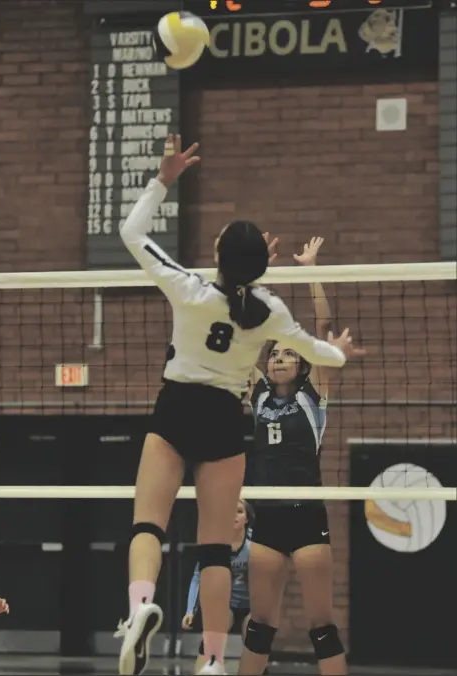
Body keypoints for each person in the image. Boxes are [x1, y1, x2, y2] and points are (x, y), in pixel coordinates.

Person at [114, 134, 356, 676]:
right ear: (257, 269)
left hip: (177, 406)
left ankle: (138, 609)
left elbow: (130, 232)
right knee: (215, 549)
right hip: (226, 418)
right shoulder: (268, 310)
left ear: (218, 255)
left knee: (147, 526)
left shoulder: (189, 288)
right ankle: (213, 661)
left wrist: (164, 178)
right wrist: (335, 353)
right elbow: (321, 353)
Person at [238, 237, 365, 676]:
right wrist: (256, 277)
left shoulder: (315, 394)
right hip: (267, 518)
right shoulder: (256, 394)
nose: (278, 359)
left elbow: (324, 328)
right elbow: (245, 332)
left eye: (288, 353)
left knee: (322, 627)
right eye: (274, 354)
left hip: (307, 514)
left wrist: (310, 269)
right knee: (259, 627)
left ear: (303, 364)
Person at [182, 499, 254, 674]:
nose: (234, 516)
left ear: (247, 519)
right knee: (210, 637)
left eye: (239, 511)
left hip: (252, 605)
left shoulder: (255, 546)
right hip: (227, 603)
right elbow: (198, 577)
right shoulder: (216, 545)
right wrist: (190, 610)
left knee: (256, 639)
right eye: (230, 511)